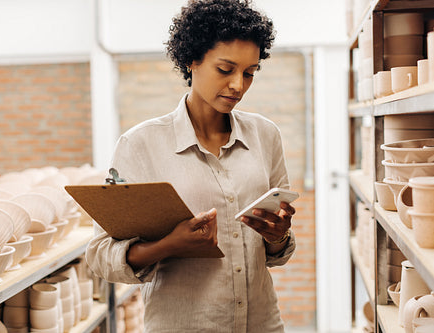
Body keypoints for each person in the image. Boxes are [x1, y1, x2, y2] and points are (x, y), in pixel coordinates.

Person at [86, 0, 297, 332]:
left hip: (262, 323)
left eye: (249, 73)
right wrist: (168, 246)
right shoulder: (140, 145)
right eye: (225, 70)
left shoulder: (265, 136)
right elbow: (100, 254)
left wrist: (278, 235)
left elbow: (278, 252)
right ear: (191, 60)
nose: (238, 85)